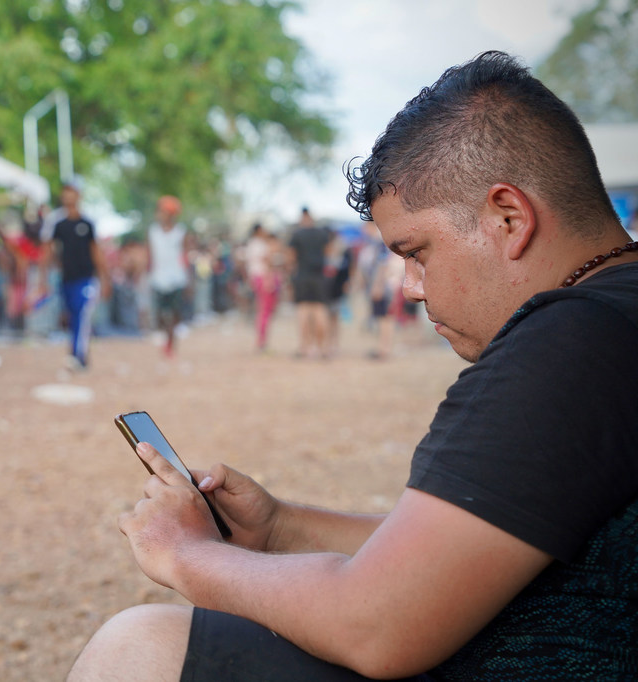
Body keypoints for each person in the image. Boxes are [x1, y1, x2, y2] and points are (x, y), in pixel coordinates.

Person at [68, 51, 638, 681]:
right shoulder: (614, 316)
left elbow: (376, 623)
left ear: (509, 217)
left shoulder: (567, 345)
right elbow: (453, 552)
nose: (411, 288)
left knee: (139, 646)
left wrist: (186, 555)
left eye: (416, 252)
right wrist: (281, 527)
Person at [38, 183, 110, 370]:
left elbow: (96, 252)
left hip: (86, 277)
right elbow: (47, 251)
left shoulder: (88, 222)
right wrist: (43, 279)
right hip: (66, 278)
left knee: (82, 313)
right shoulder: (55, 221)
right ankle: (77, 353)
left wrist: (104, 278)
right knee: (71, 316)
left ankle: (78, 355)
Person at [146, 195, 191, 357]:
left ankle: (171, 342)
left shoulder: (181, 232)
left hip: (177, 277)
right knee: (160, 313)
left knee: (174, 312)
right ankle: (166, 338)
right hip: (158, 277)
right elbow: (150, 255)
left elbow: (185, 256)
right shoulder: (153, 232)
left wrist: (188, 279)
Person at [288, 206, 334, 359]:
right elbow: (328, 253)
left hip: (302, 276)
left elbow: (291, 258)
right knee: (320, 311)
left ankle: (304, 347)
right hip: (318, 276)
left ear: (302, 217)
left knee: (303, 312)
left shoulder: (297, 234)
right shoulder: (322, 234)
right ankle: (323, 348)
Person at [244, 223, 281, 352]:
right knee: (265, 311)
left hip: (258, 278)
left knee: (263, 310)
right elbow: (267, 262)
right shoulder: (259, 245)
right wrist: (268, 279)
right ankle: (261, 341)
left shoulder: (252, 244)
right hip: (264, 278)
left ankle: (262, 340)